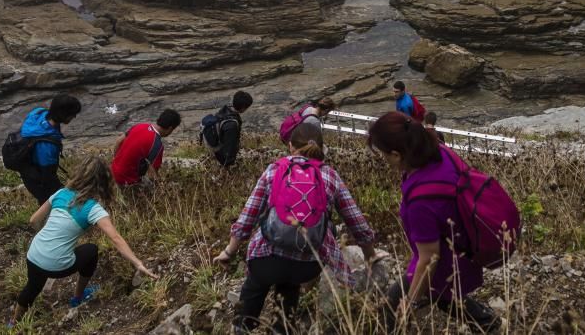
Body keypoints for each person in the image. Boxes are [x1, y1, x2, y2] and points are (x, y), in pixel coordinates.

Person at [214, 123, 377, 334]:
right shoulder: (330, 175)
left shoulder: (274, 169)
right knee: (290, 288)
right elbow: (356, 222)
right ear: (322, 148)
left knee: (255, 285)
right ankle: (282, 325)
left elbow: (249, 216)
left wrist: (229, 251)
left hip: (267, 260)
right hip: (307, 265)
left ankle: (242, 326)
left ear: (290, 146)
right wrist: (370, 257)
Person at [368, 111, 498, 332]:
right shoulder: (439, 152)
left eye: (383, 154)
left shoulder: (421, 201)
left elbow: (430, 260)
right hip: (459, 242)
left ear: (397, 154)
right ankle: (487, 323)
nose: (383, 159)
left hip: (448, 255)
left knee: (397, 300)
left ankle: (487, 323)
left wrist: (409, 302)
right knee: (442, 295)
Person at [9, 157, 157, 326]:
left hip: (34, 254)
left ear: (79, 174)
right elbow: (115, 238)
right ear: (102, 182)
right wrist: (138, 263)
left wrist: (49, 237)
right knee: (91, 250)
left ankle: (13, 323)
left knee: (32, 287)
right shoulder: (93, 208)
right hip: (57, 265)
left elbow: (33, 221)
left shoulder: (60, 193)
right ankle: (77, 297)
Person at [19, 94, 81, 204]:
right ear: (63, 115)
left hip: (28, 168)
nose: (74, 117)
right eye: (72, 114)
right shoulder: (48, 146)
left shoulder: (38, 112)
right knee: (50, 202)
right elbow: (48, 177)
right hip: (36, 177)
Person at [111, 109, 181, 188]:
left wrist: (116, 159)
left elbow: (118, 141)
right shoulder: (157, 145)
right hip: (127, 181)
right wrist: (162, 186)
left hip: (112, 172)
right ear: (170, 129)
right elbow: (152, 176)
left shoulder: (139, 126)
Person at [213, 91, 253, 168]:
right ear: (243, 107)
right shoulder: (232, 125)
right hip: (221, 157)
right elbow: (229, 147)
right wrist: (230, 164)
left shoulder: (224, 111)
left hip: (216, 149)